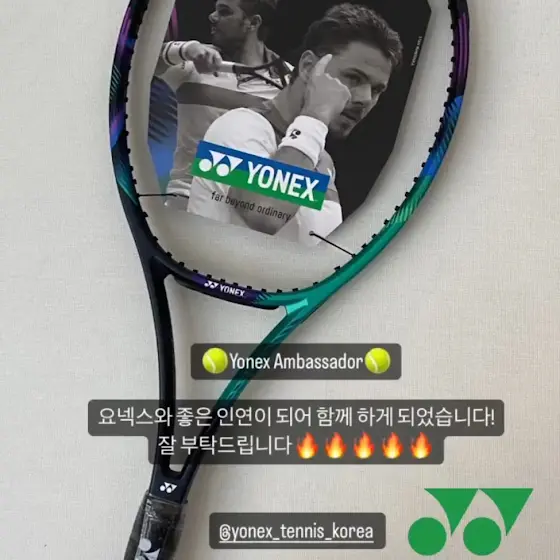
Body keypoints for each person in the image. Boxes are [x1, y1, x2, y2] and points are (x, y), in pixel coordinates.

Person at [186, 3, 403, 246]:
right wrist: (316, 116)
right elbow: (265, 212)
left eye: (377, 90)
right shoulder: (236, 126)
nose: (365, 98)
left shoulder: (321, 161)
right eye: (353, 77)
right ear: (309, 67)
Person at [155, 0, 292, 200]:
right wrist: (186, 49)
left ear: (253, 23)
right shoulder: (193, 63)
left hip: (248, 207)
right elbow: (137, 60)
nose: (212, 16)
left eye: (224, 12)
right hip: (187, 198)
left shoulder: (289, 80)